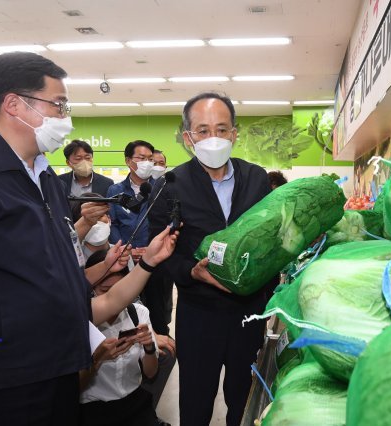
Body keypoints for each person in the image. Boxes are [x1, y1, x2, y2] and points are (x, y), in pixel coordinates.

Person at [0, 51, 178, 426]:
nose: (64, 116)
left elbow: (57, 267)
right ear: (14, 104)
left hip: (59, 367)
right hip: (2, 378)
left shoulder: (45, 179)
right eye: (58, 104)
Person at [148, 92, 275, 426]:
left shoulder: (256, 178)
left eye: (221, 129)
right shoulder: (171, 185)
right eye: (202, 131)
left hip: (248, 314)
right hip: (198, 315)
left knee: (244, 401)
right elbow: (160, 252)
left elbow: (272, 241)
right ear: (188, 137)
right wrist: (191, 272)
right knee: (195, 401)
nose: (213, 138)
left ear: (234, 133)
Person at [79, 250, 160, 426]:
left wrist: (149, 348)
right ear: (91, 288)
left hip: (135, 403)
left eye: (122, 289)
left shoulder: (139, 313)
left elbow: (151, 373)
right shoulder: (81, 322)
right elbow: (72, 389)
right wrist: (98, 358)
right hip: (94, 410)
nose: (116, 297)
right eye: (105, 291)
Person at [107, 140, 155, 262]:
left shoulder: (161, 189)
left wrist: (150, 249)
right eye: (142, 158)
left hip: (155, 257)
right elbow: (113, 223)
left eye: (150, 159)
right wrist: (125, 249)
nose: (147, 163)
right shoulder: (115, 191)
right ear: (128, 161)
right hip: (124, 258)